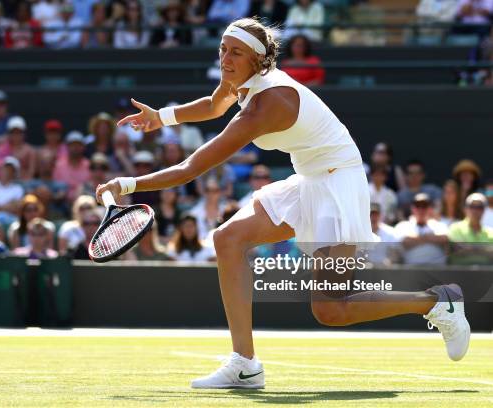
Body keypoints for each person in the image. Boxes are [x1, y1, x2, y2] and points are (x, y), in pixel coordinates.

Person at [95, 17, 470, 389]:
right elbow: (213, 104)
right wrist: (161, 117)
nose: (225, 58)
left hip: (339, 183)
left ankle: (437, 302)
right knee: (228, 239)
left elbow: (192, 167)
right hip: (310, 178)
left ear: (258, 61)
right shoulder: (240, 79)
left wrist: (127, 183)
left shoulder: (266, 104)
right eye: (223, 49)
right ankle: (244, 364)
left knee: (330, 310)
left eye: (236, 52)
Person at [395, 193, 449, 265]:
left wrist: (417, 239)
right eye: (417, 206)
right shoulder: (403, 226)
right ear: (412, 208)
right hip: (411, 271)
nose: (421, 210)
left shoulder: (440, 225)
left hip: (436, 271)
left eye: (424, 206)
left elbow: (444, 239)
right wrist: (430, 238)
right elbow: (405, 242)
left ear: (430, 208)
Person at [447, 192, 493, 264]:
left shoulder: (490, 232)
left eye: (479, 207)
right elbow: (458, 250)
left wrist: (469, 248)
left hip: (486, 273)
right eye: (472, 206)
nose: (475, 210)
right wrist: (486, 249)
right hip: (460, 273)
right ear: (465, 208)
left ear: (484, 210)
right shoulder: (455, 228)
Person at [52, 131, 91, 201]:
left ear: (83, 147)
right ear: (67, 147)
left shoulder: (89, 165)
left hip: (84, 202)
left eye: (78, 145)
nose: (75, 147)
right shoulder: (59, 165)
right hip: (62, 202)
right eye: (72, 145)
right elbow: (55, 186)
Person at [0, 156, 25, 225]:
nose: (7, 171)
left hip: (12, 220)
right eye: (5, 168)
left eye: (11, 170)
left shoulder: (18, 189)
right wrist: (8, 205)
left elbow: (16, 208)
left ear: (14, 173)